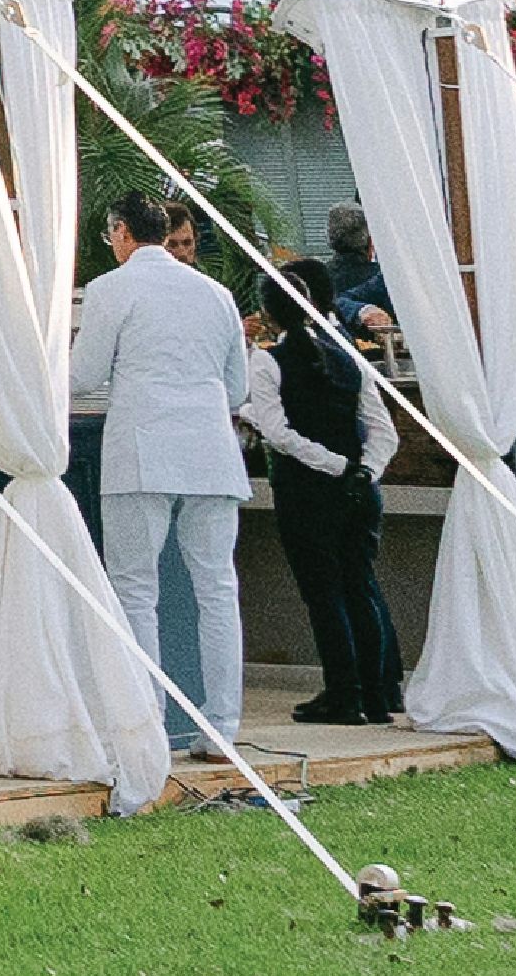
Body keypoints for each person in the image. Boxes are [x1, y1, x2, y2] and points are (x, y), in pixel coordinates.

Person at [70, 197, 252, 760]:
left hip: (142, 449)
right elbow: (238, 389)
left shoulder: (109, 290)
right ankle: (222, 726)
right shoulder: (216, 294)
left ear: (122, 232)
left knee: (134, 589)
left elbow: (83, 376)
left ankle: (145, 720)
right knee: (217, 589)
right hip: (211, 451)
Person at [257, 281, 405, 726]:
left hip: (306, 489)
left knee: (323, 594)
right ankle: (375, 695)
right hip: (359, 491)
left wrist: (332, 465)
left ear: (269, 316)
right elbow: (385, 431)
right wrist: (364, 470)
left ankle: (343, 692)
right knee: (359, 586)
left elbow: (276, 431)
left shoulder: (268, 361)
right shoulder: (348, 358)